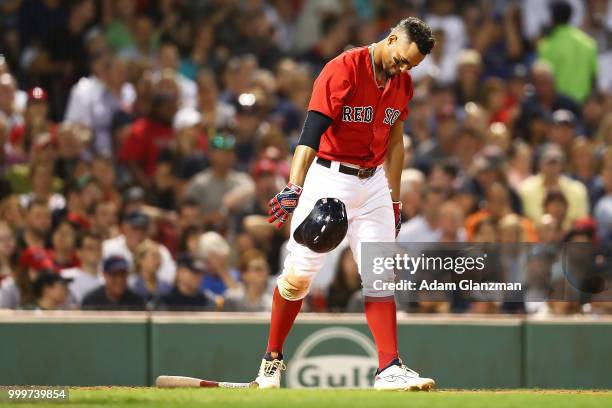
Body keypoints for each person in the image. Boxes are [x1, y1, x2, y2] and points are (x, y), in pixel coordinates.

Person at [258, 18, 436, 390]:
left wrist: (395, 199)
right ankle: (271, 360)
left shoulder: (403, 82)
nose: (404, 69)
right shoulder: (343, 68)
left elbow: (397, 142)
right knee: (300, 274)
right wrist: (294, 186)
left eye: (412, 66)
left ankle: (389, 367)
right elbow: (311, 132)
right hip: (329, 177)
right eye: (402, 59)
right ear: (390, 39)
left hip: (372, 182)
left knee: (380, 271)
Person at [61, 232, 103, 305]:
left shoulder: (108, 280)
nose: (96, 251)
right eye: (90, 248)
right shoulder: (66, 276)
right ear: (78, 252)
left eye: (98, 248)